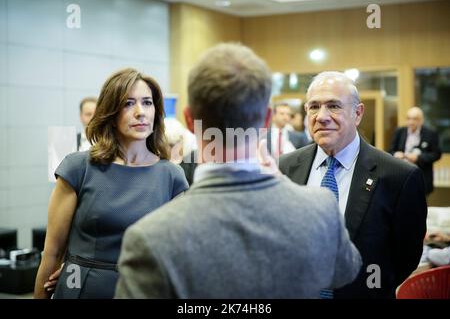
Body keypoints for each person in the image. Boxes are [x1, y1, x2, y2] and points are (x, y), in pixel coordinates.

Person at [114, 43, 361, 299]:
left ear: (190, 120)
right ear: (267, 120)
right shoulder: (319, 209)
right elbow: (344, 271)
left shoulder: (150, 238)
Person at [33, 68, 189, 299]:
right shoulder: (78, 168)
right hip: (82, 289)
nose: (140, 112)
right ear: (111, 112)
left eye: (147, 103)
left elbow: (177, 255)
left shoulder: (172, 176)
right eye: (128, 104)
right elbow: (52, 253)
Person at [279, 71, 428, 299]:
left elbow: (404, 259)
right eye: (314, 107)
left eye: (334, 106)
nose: (322, 116)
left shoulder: (399, 178)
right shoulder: (283, 168)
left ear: (357, 114)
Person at [389, 106, 442, 195]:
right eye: (409, 118)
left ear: (421, 120)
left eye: (414, 119)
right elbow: (390, 151)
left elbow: (436, 154)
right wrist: (395, 154)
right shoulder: (400, 131)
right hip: (401, 176)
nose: (411, 122)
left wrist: (418, 157)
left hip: (422, 177)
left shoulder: (430, 133)